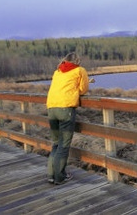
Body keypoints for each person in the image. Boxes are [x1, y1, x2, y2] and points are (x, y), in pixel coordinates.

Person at [46, 52, 89, 185]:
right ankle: (59, 177)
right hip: (65, 109)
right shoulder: (80, 70)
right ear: (78, 61)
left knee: (56, 143)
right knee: (64, 145)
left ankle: (52, 175)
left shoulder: (57, 71)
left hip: (51, 108)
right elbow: (83, 90)